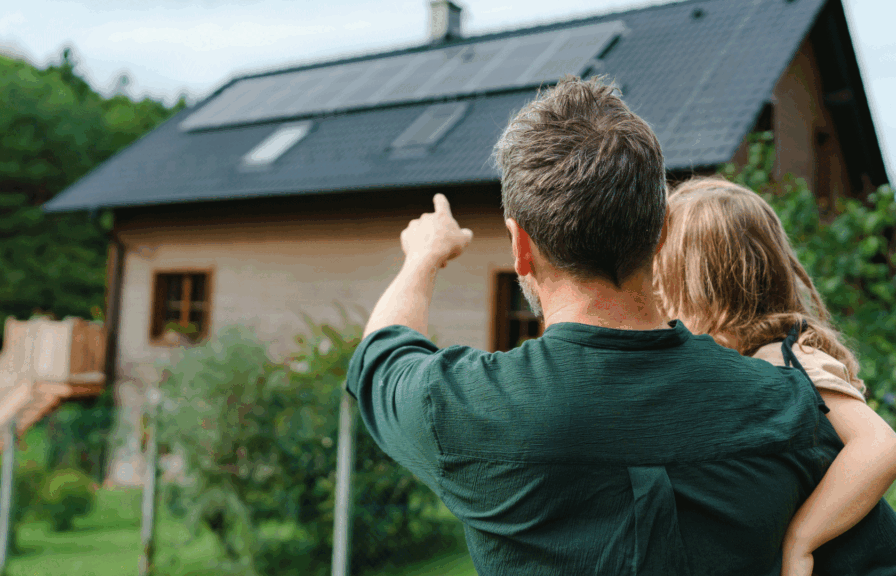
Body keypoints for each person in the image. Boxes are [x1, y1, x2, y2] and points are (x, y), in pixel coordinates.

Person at [344, 75, 896, 575]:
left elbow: (381, 355)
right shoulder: (792, 408)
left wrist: (424, 256)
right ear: (659, 236)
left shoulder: (462, 407)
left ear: (520, 247)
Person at [652, 176, 896, 576]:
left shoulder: (785, 358)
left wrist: (802, 539)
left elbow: (880, 444)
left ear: (702, 286)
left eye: (665, 282)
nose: (661, 299)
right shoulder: (749, 360)